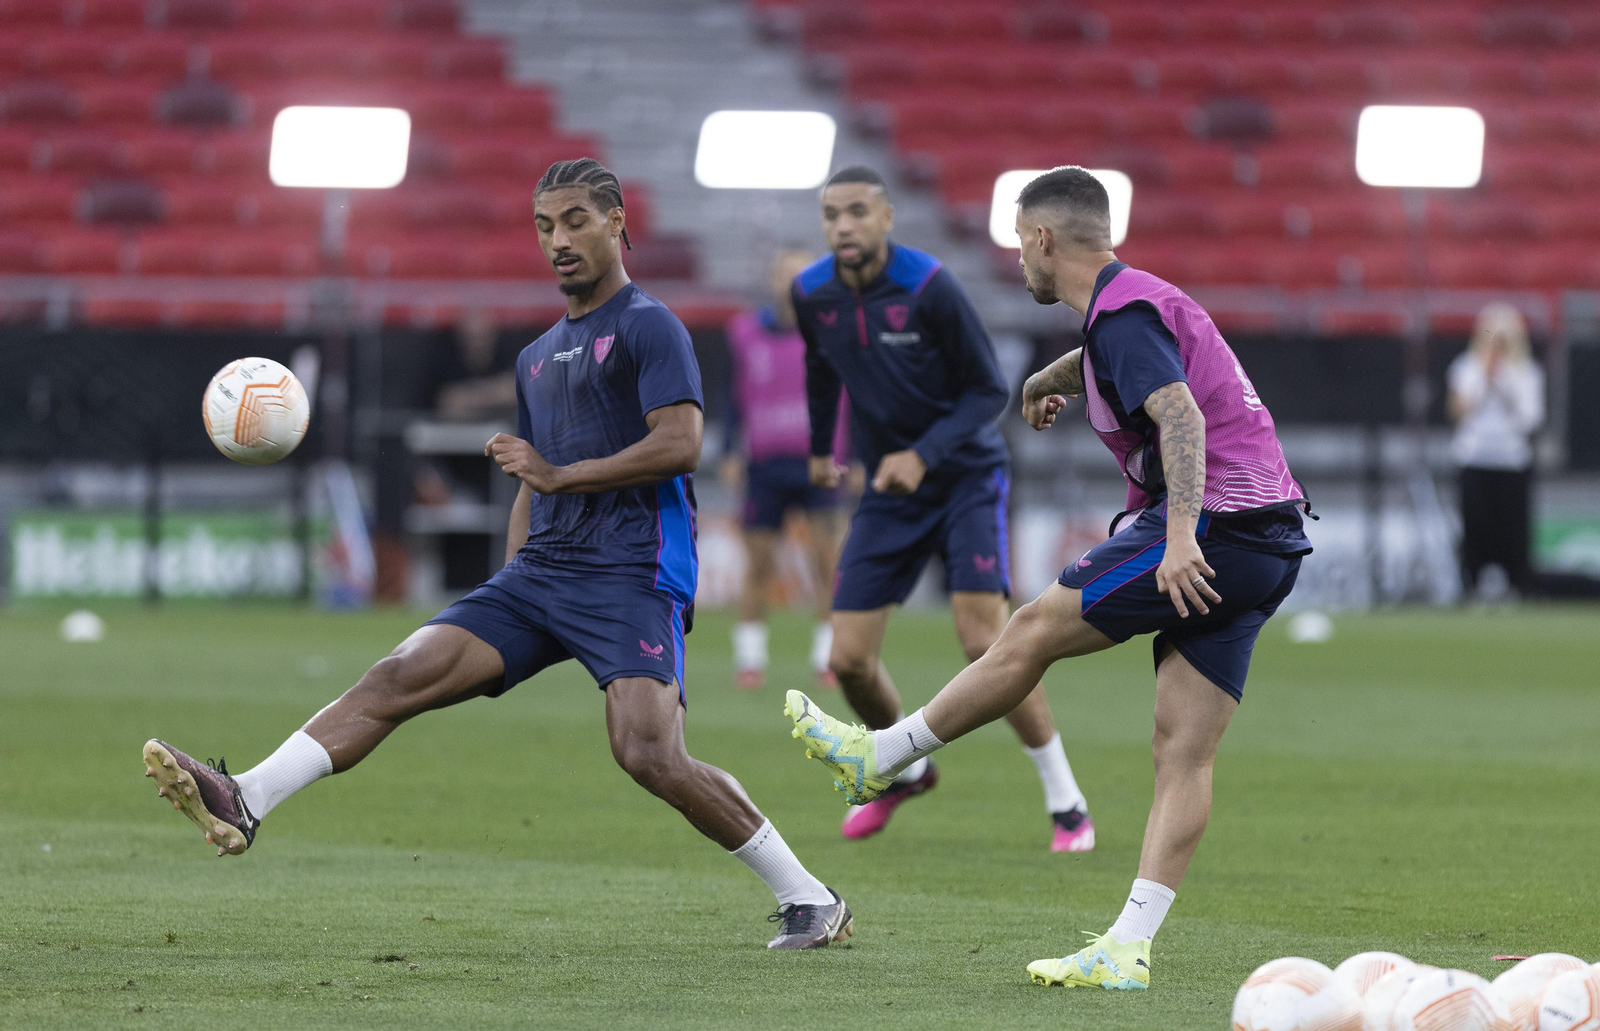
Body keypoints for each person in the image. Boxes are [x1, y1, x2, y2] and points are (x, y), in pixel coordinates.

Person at [142, 158, 853, 951]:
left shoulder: (651, 325)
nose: (560, 240)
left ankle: (810, 896)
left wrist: (561, 475)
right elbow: (530, 474)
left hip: (632, 571)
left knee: (648, 752)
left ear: (617, 223)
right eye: (546, 226)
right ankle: (246, 795)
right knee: (399, 672)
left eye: (577, 220)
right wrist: (509, 575)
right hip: (541, 571)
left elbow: (681, 443)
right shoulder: (537, 356)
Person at [785, 166, 1313, 987]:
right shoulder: (1130, 306)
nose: (1018, 262)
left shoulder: (1126, 314)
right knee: (1183, 751)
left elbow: (1179, 412)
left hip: (1212, 523)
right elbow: (1118, 356)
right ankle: (1128, 948)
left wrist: (1177, 535)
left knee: (1027, 628)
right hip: (1270, 538)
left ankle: (879, 755)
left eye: (1019, 244)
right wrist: (1044, 378)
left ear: (1042, 238)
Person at [792, 165, 1094, 850]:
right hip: (890, 492)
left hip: (963, 476)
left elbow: (988, 388)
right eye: (832, 213)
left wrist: (923, 453)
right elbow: (818, 369)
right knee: (848, 661)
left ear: (887, 217)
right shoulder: (812, 294)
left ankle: (1066, 801)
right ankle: (907, 771)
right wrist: (819, 447)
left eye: (858, 212)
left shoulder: (929, 286)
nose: (844, 225)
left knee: (982, 637)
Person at [721, 249, 850, 689]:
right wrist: (728, 450)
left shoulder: (834, 334)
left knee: (827, 565)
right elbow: (734, 396)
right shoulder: (745, 333)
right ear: (771, 280)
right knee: (758, 565)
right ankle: (750, 660)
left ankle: (827, 659)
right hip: (765, 464)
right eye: (784, 275)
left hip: (822, 463)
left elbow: (856, 396)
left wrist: (864, 455)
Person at [1447, 303, 1544, 598]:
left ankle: (1517, 586)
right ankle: (1471, 584)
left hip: (1511, 461)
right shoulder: (1466, 367)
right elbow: (1458, 411)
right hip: (1475, 458)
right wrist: (1484, 380)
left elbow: (1531, 419)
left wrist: (1504, 386)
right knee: (1475, 528)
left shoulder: (1527, 373)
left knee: (1512, 530)